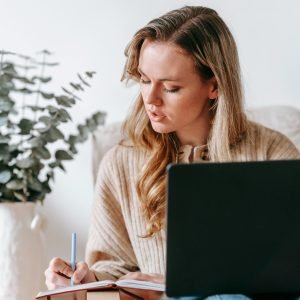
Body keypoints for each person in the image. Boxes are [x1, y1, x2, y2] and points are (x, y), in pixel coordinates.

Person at [44, 5, 300, 299]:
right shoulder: (120, 162)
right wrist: (87, 280)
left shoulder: (273, 153)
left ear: (214, 86)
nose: (150, 99)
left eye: (171, 88)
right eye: (144, 79)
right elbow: (113, 269)